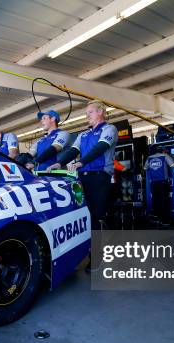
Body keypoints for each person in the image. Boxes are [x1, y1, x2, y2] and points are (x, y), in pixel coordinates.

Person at [47, 100, 118, 270]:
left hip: (99, 177)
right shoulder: (83, 135)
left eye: (90, 113)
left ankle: (97, 257)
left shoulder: (109, 129)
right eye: (86, 114)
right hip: (81, 178)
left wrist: (81, 162)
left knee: (95, 216)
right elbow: (73, 150)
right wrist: (59, 163)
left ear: (100, 112)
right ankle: (81, 253)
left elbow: (101, 148)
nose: (87, 116)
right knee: (81, 216)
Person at [145, 146, 174, 224]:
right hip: (163, 183)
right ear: (162, 151)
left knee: (155, 201)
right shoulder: (165, 156)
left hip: (153, 183)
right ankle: (165, 221)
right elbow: (172, 165)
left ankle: (157, 219)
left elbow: (145, 168)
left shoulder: (149, 158)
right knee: (164, 201)